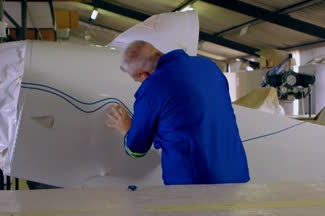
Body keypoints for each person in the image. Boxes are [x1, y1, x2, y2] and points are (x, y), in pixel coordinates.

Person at [106, 40, 249, 185]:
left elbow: (136, 149)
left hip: (193, 184)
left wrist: (127, 128)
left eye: (136, 79)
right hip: (236, 174)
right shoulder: (209, 66)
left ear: (143, 74)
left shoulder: (152, 86)